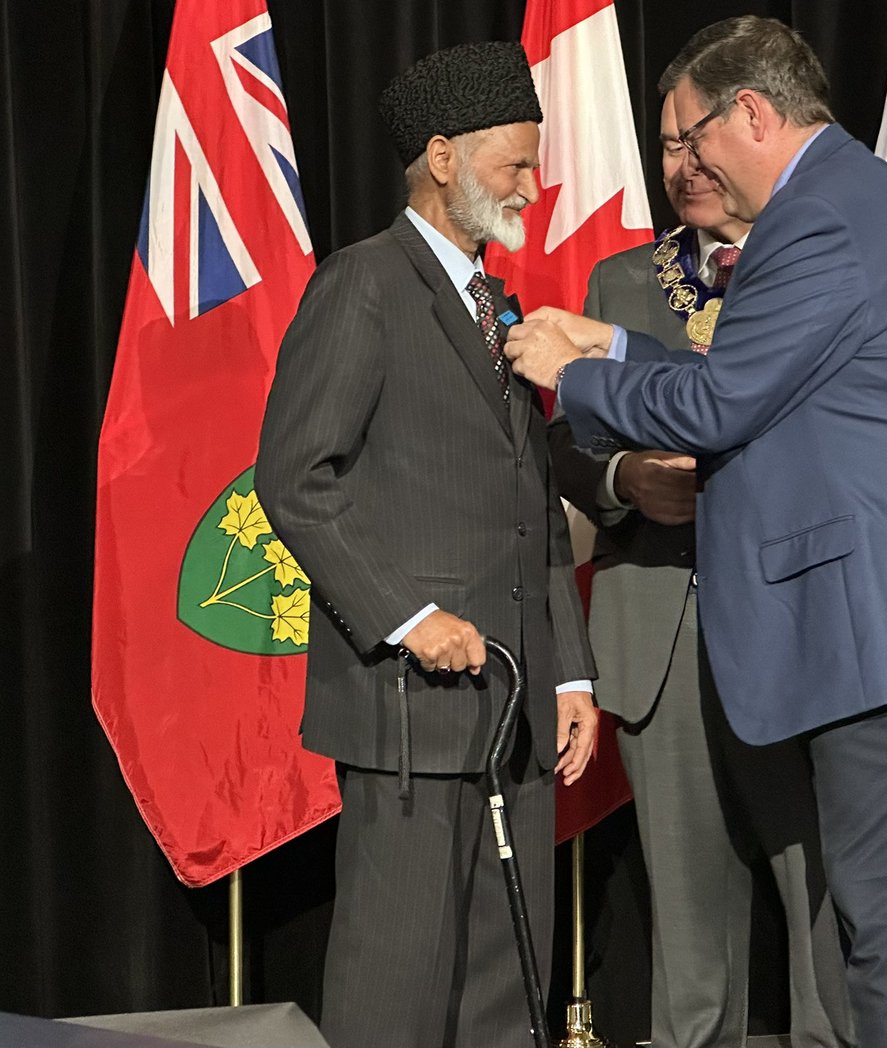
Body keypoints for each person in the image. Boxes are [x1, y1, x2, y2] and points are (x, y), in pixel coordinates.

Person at [504, 16, 887, 1048]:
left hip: (886, 644)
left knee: (886, 945)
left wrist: (568, 373)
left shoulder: (818, 222)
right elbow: (755, 378)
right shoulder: (840, 201)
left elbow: (718, 408)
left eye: (689, 136)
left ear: (748, 112)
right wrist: (613, 337)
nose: (683, 163)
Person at [255, 41, 598, 1048]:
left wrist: (570, 673)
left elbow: (529, 501)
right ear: (443, 158)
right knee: (396, 991)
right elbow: (294, 477)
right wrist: (407, 616)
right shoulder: (363, 285)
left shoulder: (497, 306)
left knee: (504, 1001)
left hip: (518, 710)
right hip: (412, 714)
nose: (535, 188)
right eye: (516, 165)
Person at [548, 92, 853, 1048]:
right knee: (688, 940)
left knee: (825, 908)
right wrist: (626, 478)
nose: (682, 162)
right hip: (662, 638)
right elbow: (563, 444)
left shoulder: (814, 266)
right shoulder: (623, 280)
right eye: (667, 146)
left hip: (800, 627)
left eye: (697, 140)